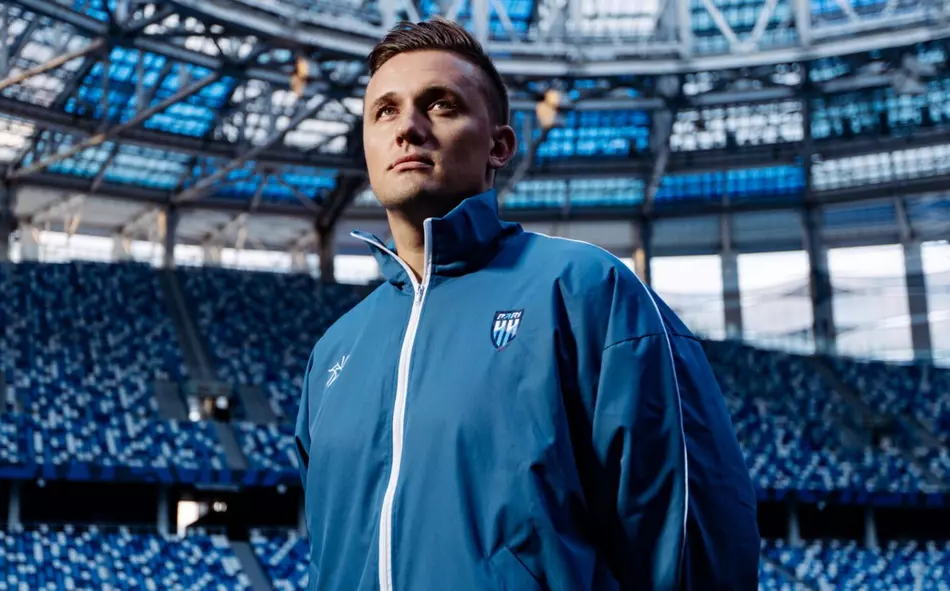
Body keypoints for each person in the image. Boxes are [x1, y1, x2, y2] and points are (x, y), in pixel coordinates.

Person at [294, 17, 758, 590]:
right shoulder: (333, 353)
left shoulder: (588, 291)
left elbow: (688, 540)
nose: (408, 127)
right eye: (384, 111)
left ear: (499, 145)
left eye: (439, 105)